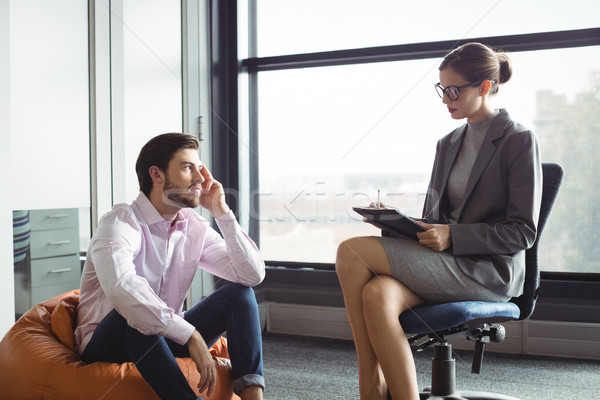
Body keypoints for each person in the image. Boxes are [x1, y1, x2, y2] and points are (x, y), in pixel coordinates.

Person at [335, 42, 542, 400]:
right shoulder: (448, 143)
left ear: (484, 87)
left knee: (351, 252)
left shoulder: (518, 140)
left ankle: (370, 386)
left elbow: (523, 232)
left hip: (486, 272)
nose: (445, 98)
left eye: (453, 90)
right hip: (446, 263)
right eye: (441, 89)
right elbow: (436, 220)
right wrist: (396, 222)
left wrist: (454, 236)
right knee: (377, 293)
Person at [74, 133, 266, 400]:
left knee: (240, 295)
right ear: (157, 174)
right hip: (108, 342)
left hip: (166, 339)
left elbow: (251, 275)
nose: (200, 178)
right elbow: (123, 288)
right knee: (134, 318)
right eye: (188, 168)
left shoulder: (194, 226)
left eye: (199, 169)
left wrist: (222, 213)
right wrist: (190, 335)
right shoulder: (119, 223)